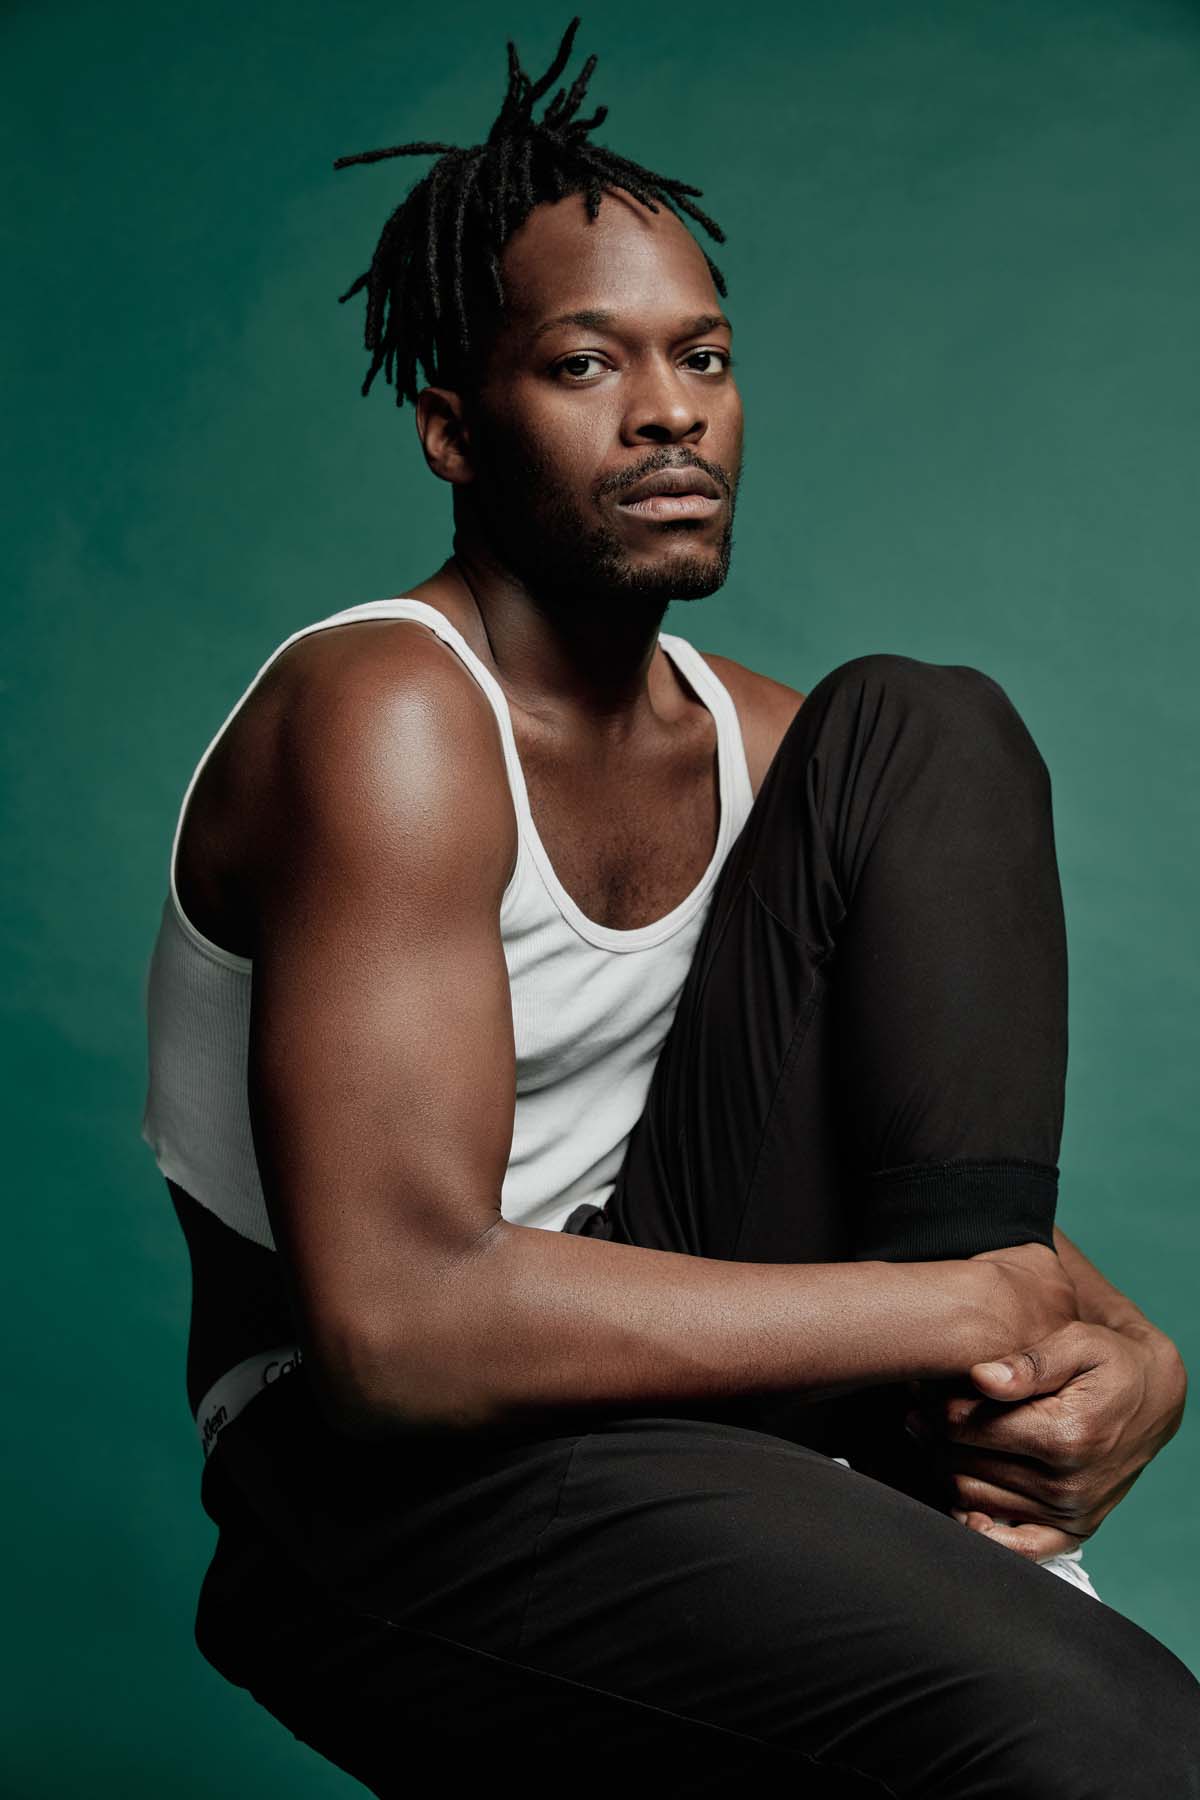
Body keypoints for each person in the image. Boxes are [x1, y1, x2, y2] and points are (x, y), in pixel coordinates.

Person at [140, 16, 1198, 1795]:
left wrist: (1127, 1351)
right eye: (585, 363)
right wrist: (969, 1309)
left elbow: (923, 1190)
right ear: (450, 428)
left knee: (929, 725)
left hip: (680, 1357)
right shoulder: (387, 715)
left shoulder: (764, 744)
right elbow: (400, 1332)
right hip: (381, 1473)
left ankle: (972, 1490)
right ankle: (986, 1553)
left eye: (702, 354)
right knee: (1099, 1738)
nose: (669, 408)